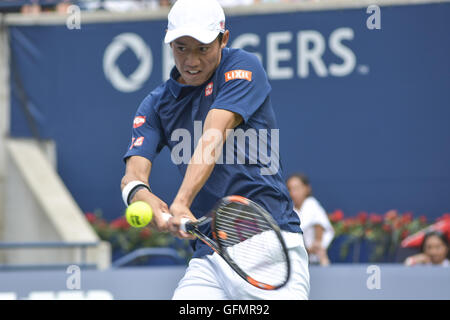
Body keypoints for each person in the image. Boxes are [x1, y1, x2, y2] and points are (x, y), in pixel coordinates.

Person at [120, 0, 309, 300]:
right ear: (169, 43)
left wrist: (181, 201)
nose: (191, 60)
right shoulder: (155, 105)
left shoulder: (243, 67)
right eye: (181, 48)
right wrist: (145, 199)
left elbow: (213, 135)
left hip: (268, 242)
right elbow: (132, 177)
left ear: (224, 39)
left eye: (202, 48)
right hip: (209, 254)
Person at [286, 173, 334, 266]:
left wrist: (317, 244)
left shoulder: (311, 204)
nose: (293, 193)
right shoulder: (290, 209)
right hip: (297, 260)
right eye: (290, 189)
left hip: (316, 259)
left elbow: (319, 224)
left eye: (297, 188)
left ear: (307, 188)